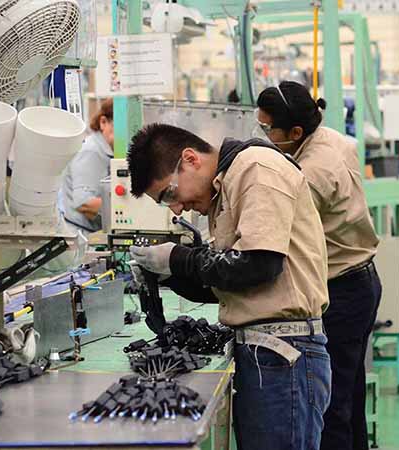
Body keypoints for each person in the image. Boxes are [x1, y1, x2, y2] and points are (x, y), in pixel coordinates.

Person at [125, 124, 332, 450]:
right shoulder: (226, 187)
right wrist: (167, 274)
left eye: (169, 194)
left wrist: (178, 259)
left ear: (190, 159)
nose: (176, 208)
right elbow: (230, 280)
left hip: (283, 356)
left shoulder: (256, 169)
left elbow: (260, 264)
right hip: (265, 354)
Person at [256, 81, 382, 450]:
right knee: (349, 393)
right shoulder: (330, 138)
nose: (263, 135)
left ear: (295, 132)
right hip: (360, 281)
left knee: (331, 406)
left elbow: (278, 234)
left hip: (342, 290)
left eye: (267, 129)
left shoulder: (313, 172)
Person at [58, 98, 114, 233]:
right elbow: (84, 203)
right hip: (81, 236)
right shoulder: (92, 151)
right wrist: (127, 209)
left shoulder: (108, 152)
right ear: (103, 122)